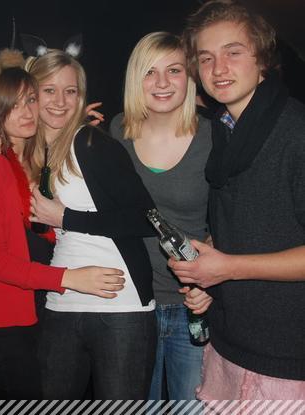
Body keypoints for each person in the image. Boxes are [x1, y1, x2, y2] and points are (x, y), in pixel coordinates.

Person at [169, 0, 305, 400]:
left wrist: (227, 268)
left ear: (261, 57)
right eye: (206, 58)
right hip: (231, 340)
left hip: (286, 354)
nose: (218, 69)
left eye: (233, 52)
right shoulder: (226, 131)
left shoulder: (296, 134)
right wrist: (208, 267)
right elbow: (256, 225)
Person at [27, 49, 157, 399]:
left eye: (70, 91)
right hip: (61, 299)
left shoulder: (91, 143)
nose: (60, 101)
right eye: (49, 90)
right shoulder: (33, 150)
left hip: (118, 303)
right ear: (31, 94)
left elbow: (146, 217)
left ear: (81, 96)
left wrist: (65, 217)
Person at [109, 32, 212, 400]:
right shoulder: (117, 132)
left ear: (190, 77)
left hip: (192, 306)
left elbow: (232, 218)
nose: (162, 82)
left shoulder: (214, 137)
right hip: (131, 303)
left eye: (174, 70)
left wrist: (214, 283)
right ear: (135, 80)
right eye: (149, 72)